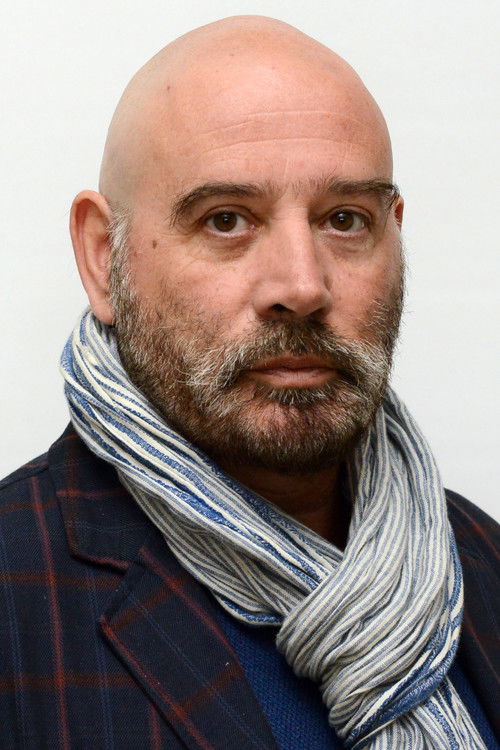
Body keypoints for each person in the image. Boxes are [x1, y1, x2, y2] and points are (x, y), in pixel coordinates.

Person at [0, 15, 497, 750]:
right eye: (227, 220)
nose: (301, 285)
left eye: (344, 219)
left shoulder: (481, 563)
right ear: (104, 257)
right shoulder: (16, 594)